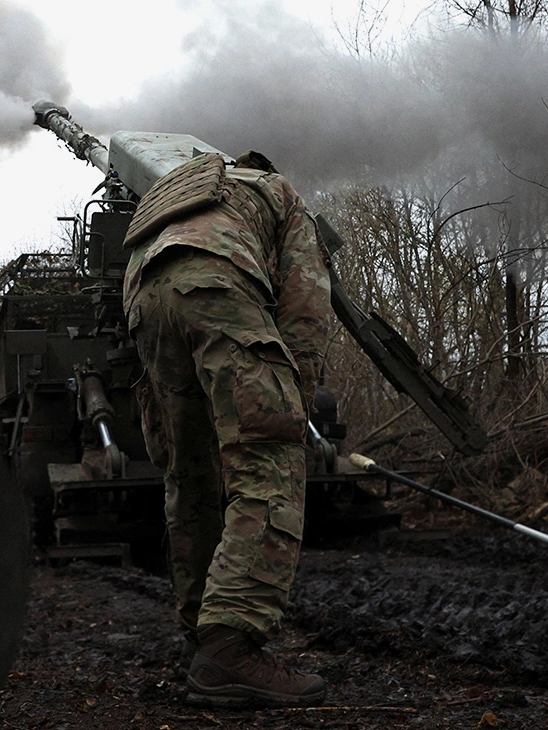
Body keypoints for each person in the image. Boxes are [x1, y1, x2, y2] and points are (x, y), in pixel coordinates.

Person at [121, 149, 336, 708]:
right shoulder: (279, 193)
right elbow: (306, 305)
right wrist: (292, 405)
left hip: (141, 293)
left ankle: (203, 636)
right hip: (218, 281)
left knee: (188, 474)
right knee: (266, 461)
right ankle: (231, 647)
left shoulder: (182, 192)